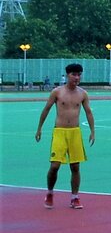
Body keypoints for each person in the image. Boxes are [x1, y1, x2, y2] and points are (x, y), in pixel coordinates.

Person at [35, 63, 95, 209]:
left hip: (75, 132)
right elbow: (47, 109)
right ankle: (49, 193)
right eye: (74, 74)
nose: (77, 77)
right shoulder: (57, 92)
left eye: (79, 74)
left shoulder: (83, 93)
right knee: (55, 166)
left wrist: (92, 131)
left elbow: (88, 112)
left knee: (75, 166)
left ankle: (75, 197)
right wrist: (39, 128)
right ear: (67, 75)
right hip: (60, 132)